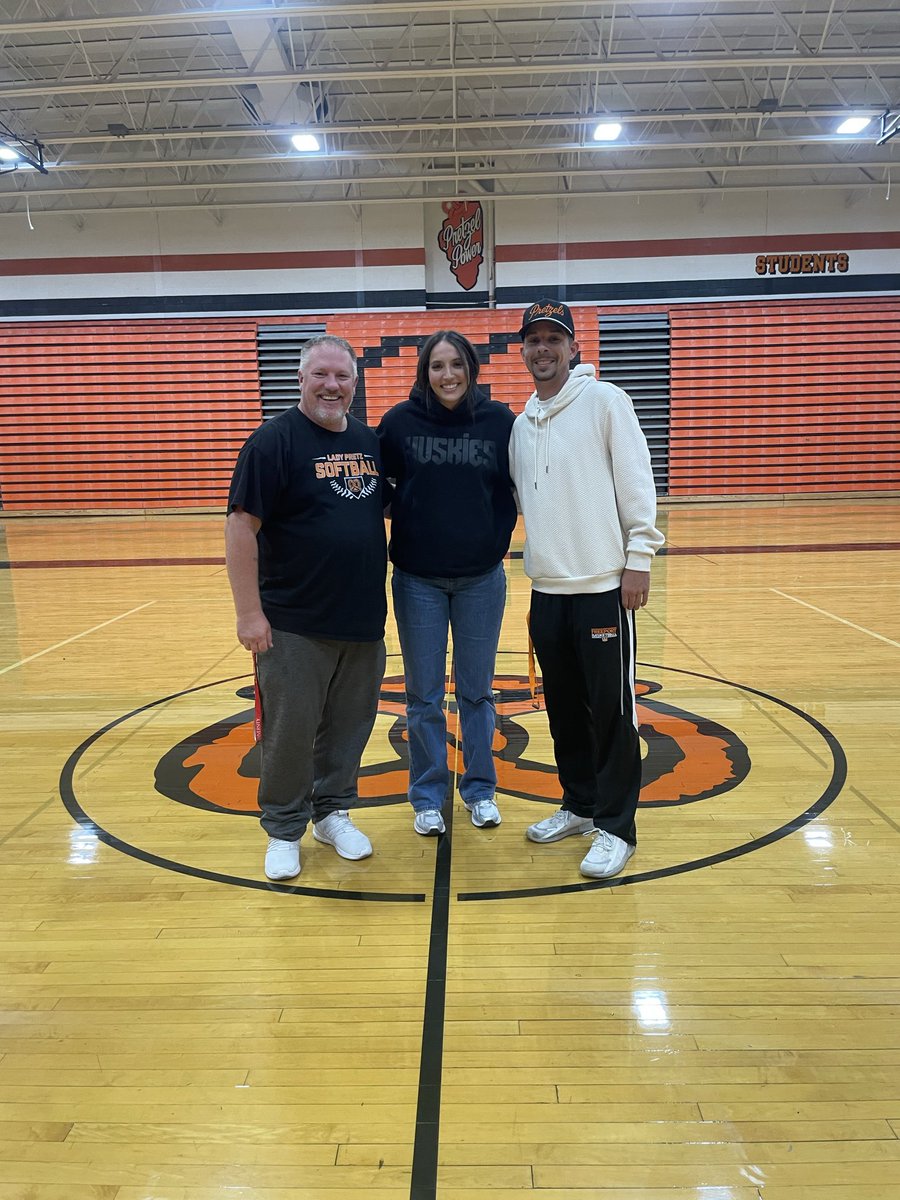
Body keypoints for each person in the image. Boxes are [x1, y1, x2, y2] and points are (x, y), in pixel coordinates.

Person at [508, 299, 664, 879]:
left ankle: (616, 827)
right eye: (533, 339)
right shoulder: (521, 426)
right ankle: (578, 804)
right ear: (522, 349)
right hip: (548, 590)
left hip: (603, 586)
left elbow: (636, 479)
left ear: (573, 348)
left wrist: (639, 556)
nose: (543, 348)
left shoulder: (605, 401)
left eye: (554, 338)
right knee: (565, 710)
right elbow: (526, 499)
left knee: (611, 712)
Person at [225, 334, 387, 881]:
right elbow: (241, 528)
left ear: (354, 385)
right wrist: (250, 614)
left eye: (342, 377)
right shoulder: (272, 442)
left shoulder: (367, 442)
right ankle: (283, 826)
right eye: (321, 374)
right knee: (291, 731)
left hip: (362, 621)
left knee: (349, 727)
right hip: (294, 622)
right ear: (301, 378)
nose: (331, 386)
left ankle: (333, 813)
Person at [377, 331, 517, 835]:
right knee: (424, 696)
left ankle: (480, 790)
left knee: (477, 693)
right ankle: (428, 797)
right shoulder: (397, 424)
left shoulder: (500, 422)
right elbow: (377, 488)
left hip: (482, 579)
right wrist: (417, 515)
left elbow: (520, 485)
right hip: (418, 581)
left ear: (472, 368)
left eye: (456, 364)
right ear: (424, 372)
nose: (447, 375)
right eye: (437, 366)